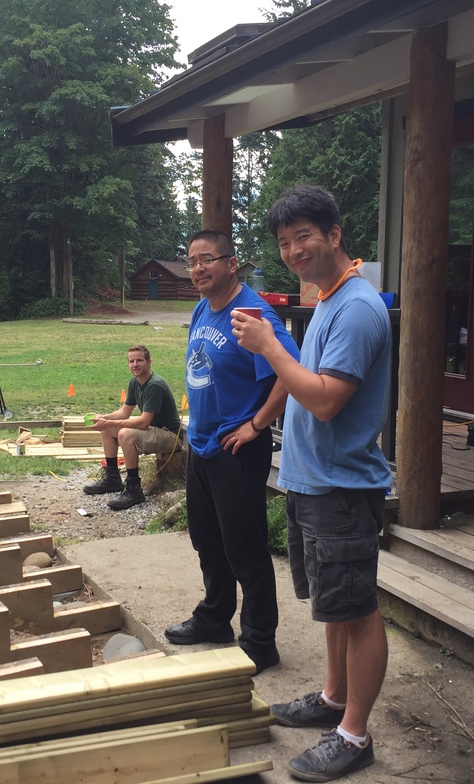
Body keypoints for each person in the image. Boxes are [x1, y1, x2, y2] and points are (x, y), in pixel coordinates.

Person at [234, 185, 392, 782]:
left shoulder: (355, 307)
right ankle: (332, 699)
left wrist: (273, 346)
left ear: (334, 234)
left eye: (304, 236)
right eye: (283, 242)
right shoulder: (328, 298)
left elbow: (326, 402)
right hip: (311, 482)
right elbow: (312, 378)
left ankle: (354, 733)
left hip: (342, 487)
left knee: (358, 609)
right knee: (334, 606)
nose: (294, 249)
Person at [166, 230, 299, 675]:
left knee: (245, 548)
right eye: (192, 261)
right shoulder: (204, 307)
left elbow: (290, 371)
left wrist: (257, 424)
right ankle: (215, 619)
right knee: (207, 540)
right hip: (203, 442)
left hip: (236, 447)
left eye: (207, 259)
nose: (198, 269)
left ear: (231, 263)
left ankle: (260, 642)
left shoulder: (254, 314)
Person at [83, 344, 182, 510]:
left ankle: (134, 488)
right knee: (107, 429)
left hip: (170, 436)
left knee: (125, 434)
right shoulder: (134, 383)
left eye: (139, 360)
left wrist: (111, 422)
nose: (135, 364)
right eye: (131, 361)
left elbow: (143, 422)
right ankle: (112, 478)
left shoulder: (154, 384)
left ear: (149, 362)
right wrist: (102, 418)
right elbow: (124, 412)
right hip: (153, 430)